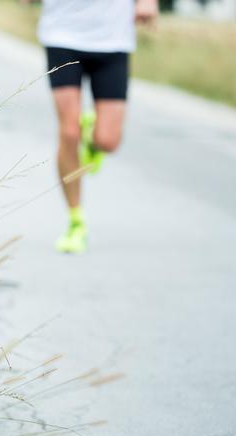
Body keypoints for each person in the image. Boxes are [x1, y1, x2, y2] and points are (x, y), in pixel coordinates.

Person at [33, 0, 159, 253]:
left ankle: (92, 138)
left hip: (113, 38)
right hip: (62, 34)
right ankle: (76, 219)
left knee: (108, 141)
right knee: (69, 132)